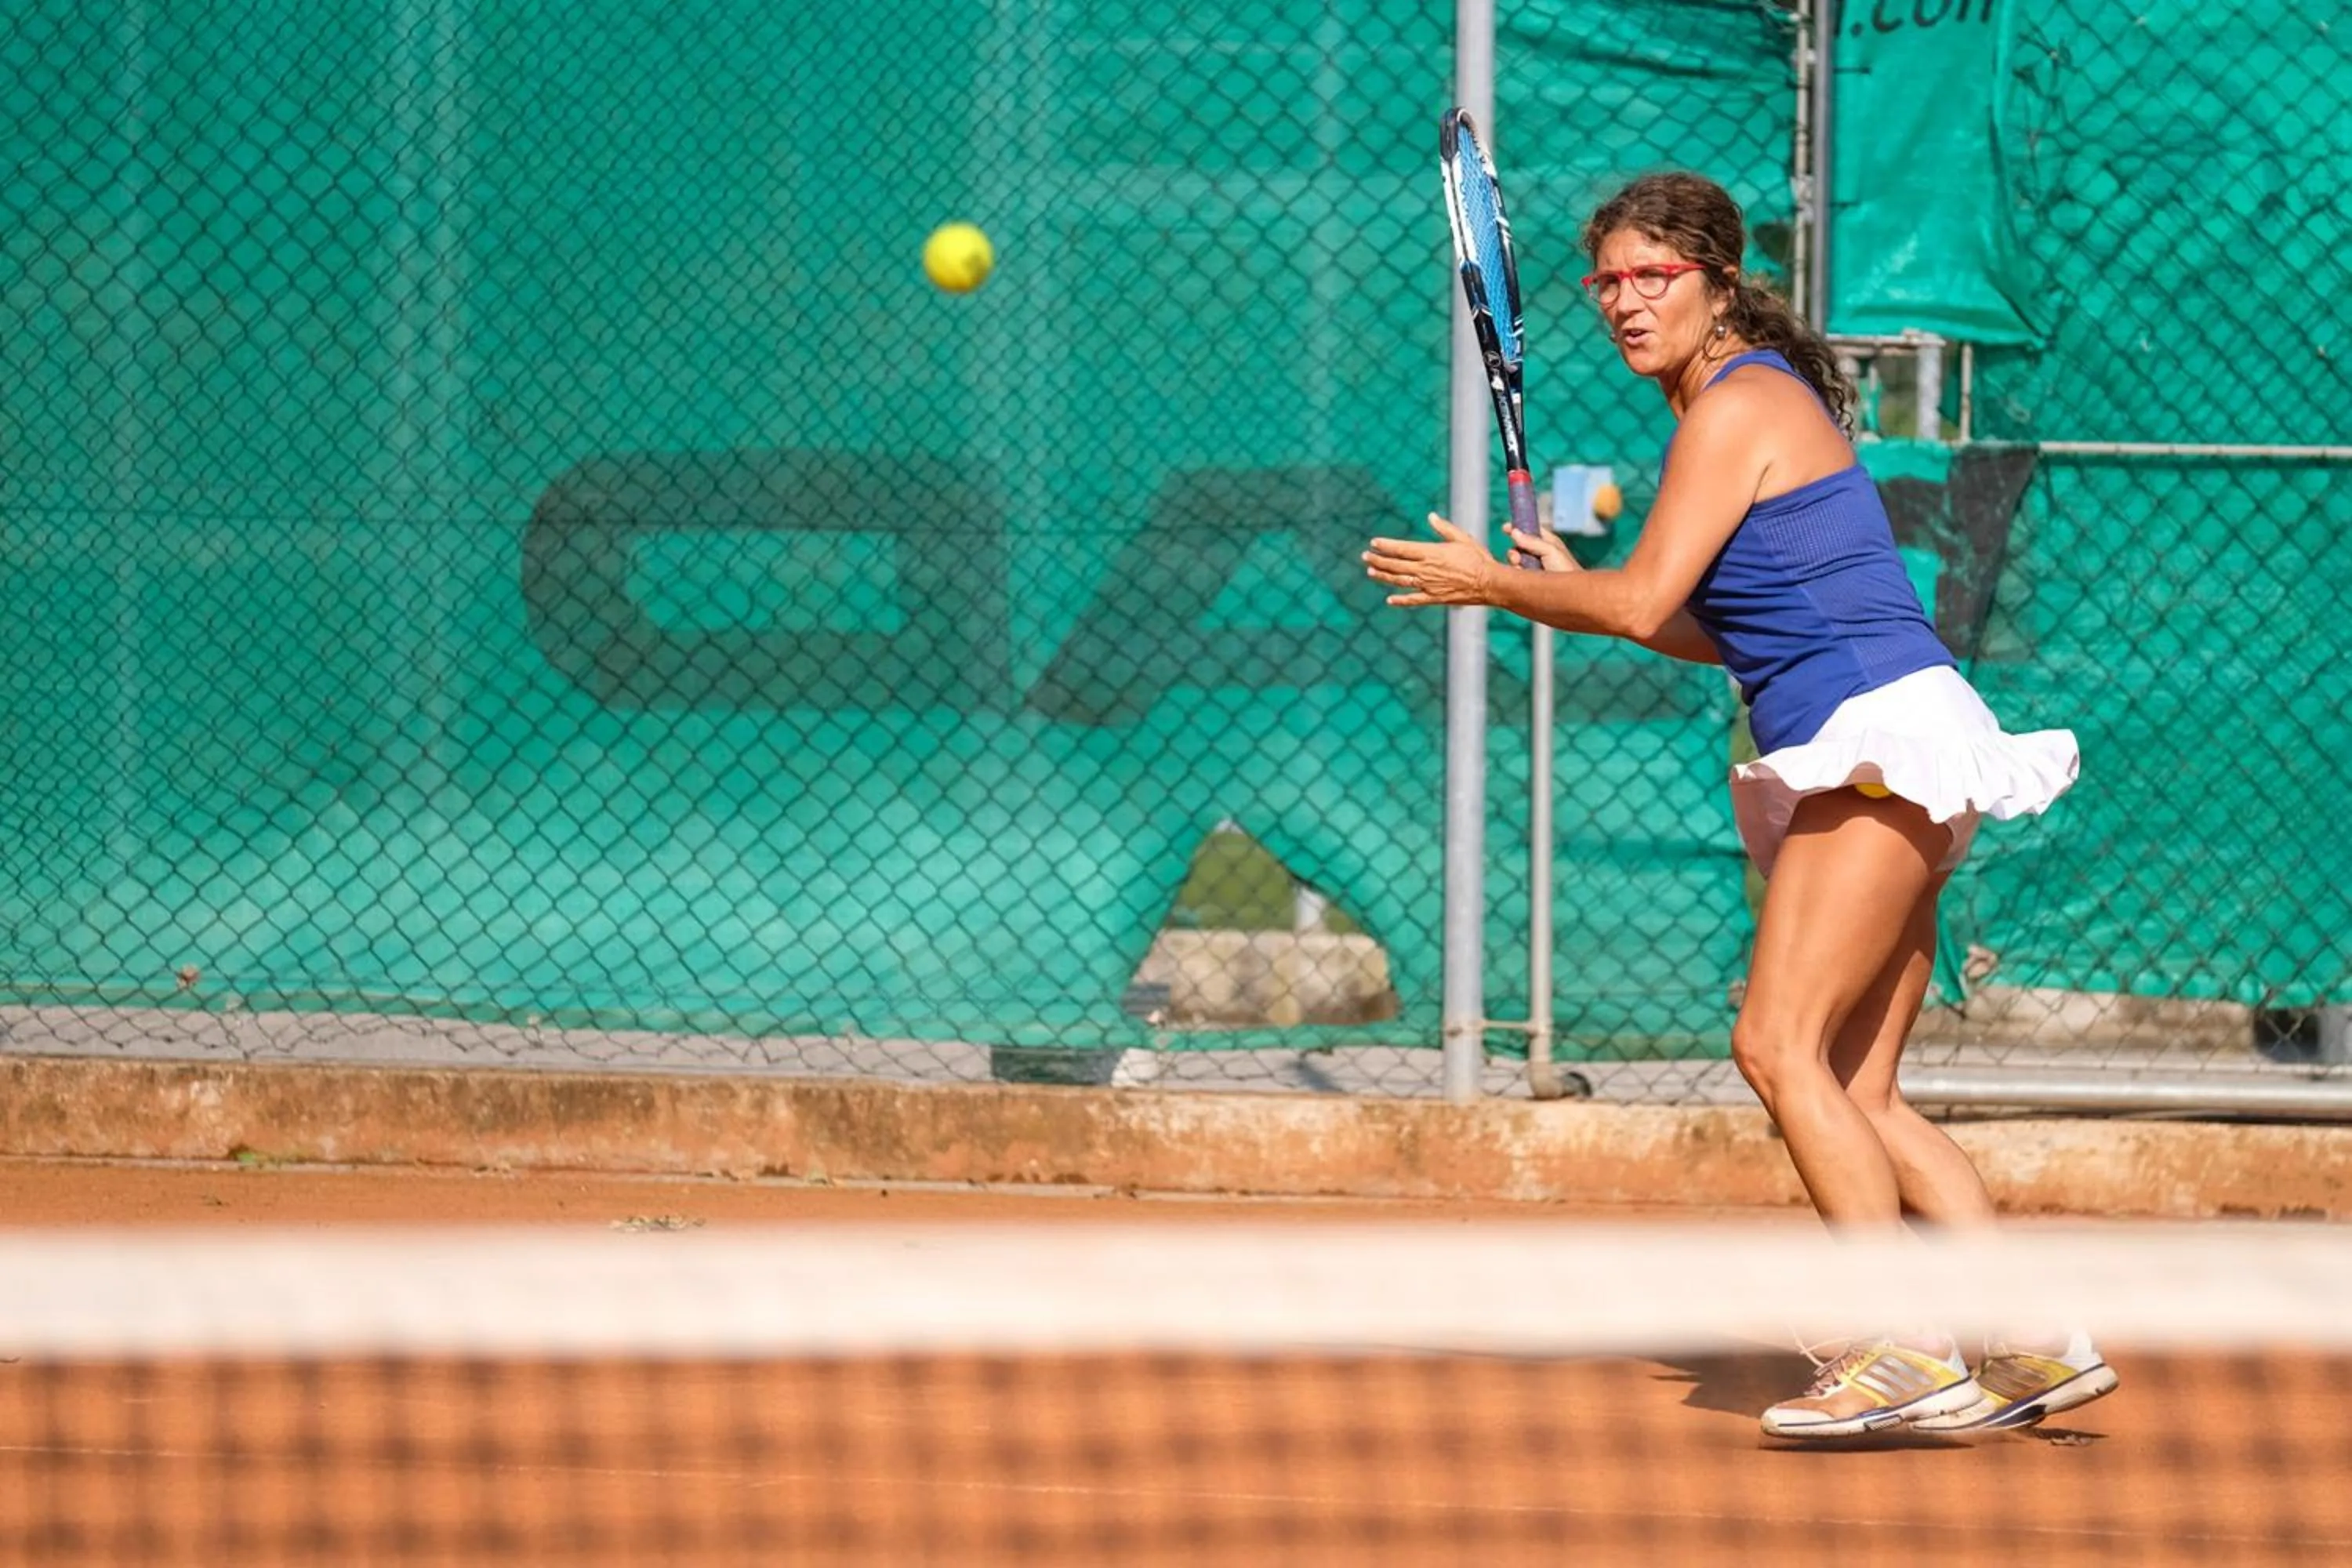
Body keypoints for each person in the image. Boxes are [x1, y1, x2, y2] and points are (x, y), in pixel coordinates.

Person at [1364, 172, 2116, 1440]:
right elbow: (1720, 633)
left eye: (1653, 275)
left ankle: (1904, 1344)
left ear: (1718, 281)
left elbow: (1643, 603)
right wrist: (1576, 582)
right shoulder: (1749, 402)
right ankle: (2029, 1337)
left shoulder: (1733, 406)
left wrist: (1495, 580)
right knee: (1861, 1093)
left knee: (1774, 1045)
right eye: (1606, 280)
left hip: (1878, 749)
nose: (1623, 301)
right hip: (1909, 742)